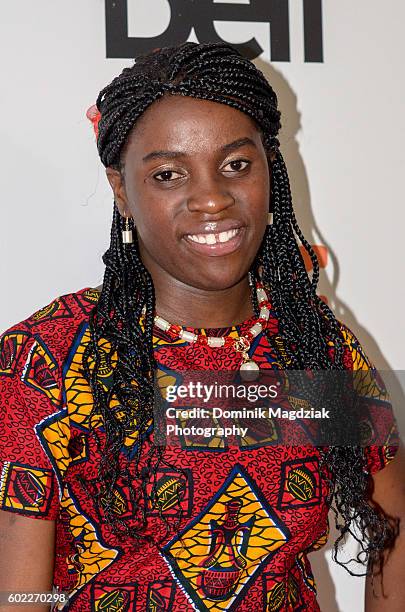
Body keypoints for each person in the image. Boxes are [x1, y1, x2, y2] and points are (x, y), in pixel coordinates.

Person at [0, 42, 404, 612]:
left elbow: (394, 527)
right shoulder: (48, 356)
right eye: (168, 174)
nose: (212, 198)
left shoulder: (315, 348)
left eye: (237, 164)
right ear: (122, 191)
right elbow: (17, 591)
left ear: (271, 168)